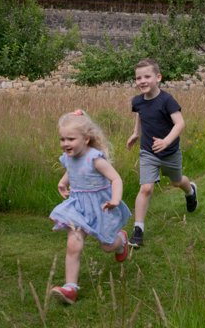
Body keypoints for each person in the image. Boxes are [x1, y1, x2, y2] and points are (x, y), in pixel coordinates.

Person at [49, 109, 132, 305]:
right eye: (62, 139)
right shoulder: (68, 157)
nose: (65, 144)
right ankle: (70, 287)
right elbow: (72, 170)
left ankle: (121, 240)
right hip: (77, 206)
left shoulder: (95, 159)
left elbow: (116, 178)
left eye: (70, 139)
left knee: (107, 246)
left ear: (86, 139)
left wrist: (116, 199)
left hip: (101, 207)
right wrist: (63, 181)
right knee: (73, 245)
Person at [126, 58, 198, 248]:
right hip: (148, 151)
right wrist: (135, 133)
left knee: (176, 182)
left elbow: (180, 123)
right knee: (146, 188)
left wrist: (166, 141)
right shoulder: (137, 101)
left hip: (170, 152)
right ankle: (138, 230)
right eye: (138, 78)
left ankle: (190, 191)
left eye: (147, 76)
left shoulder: (167, 100)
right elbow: (140, 116)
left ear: (158, 77)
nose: (142, 81)